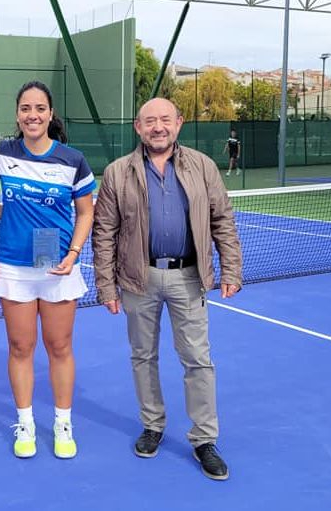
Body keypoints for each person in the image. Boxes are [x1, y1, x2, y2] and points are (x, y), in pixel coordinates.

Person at [92, 98, 242, 481]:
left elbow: (222, 218)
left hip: (189, 278)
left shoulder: (203, 167)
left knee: (197, 359)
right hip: (137, 279)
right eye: (149, 121)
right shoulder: (116, 173)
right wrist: (106, 286)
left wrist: (231, 269)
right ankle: (153, 425)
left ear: (179, 123)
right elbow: (104, 233)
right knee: (143, 356)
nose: (158, 127)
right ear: (137, 127)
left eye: (165, 120)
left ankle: (204, 439)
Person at [0, 81, 95, 459]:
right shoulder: (2, 155)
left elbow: (86, 211)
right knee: (20, 347)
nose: (32, 115)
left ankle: (63, 424)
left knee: (60, 346)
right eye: (25, 109)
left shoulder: (72, 159)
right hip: (15, 268)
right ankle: (27, 423)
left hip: (57, 268)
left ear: (50, 114)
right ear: (17, 114)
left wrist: (74, 251)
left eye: (39, 108)